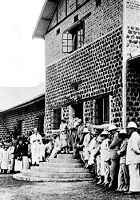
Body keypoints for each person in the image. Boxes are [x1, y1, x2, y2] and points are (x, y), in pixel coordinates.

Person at [126, 121, 140, 194]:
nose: (128, 130)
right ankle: (136, 188)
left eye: (129, 129)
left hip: (133, 159)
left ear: (132, 129)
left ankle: (133, 189)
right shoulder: (136, 135)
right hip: (134, 158)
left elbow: (135, 148)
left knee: (133, 174)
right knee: (135, 174)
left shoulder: (134, 135)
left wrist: (138, 152)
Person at [108, 124, 121, 189]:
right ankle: (112, 183)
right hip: (113, 154)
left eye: (111, 131)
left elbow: (112, 145)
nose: (110, 132)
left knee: (113, 169)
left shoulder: (116, 136)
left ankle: (113, 184)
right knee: (112, 169)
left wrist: (109, 145)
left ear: (114, 130)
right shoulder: (114, 136)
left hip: (115, 153)